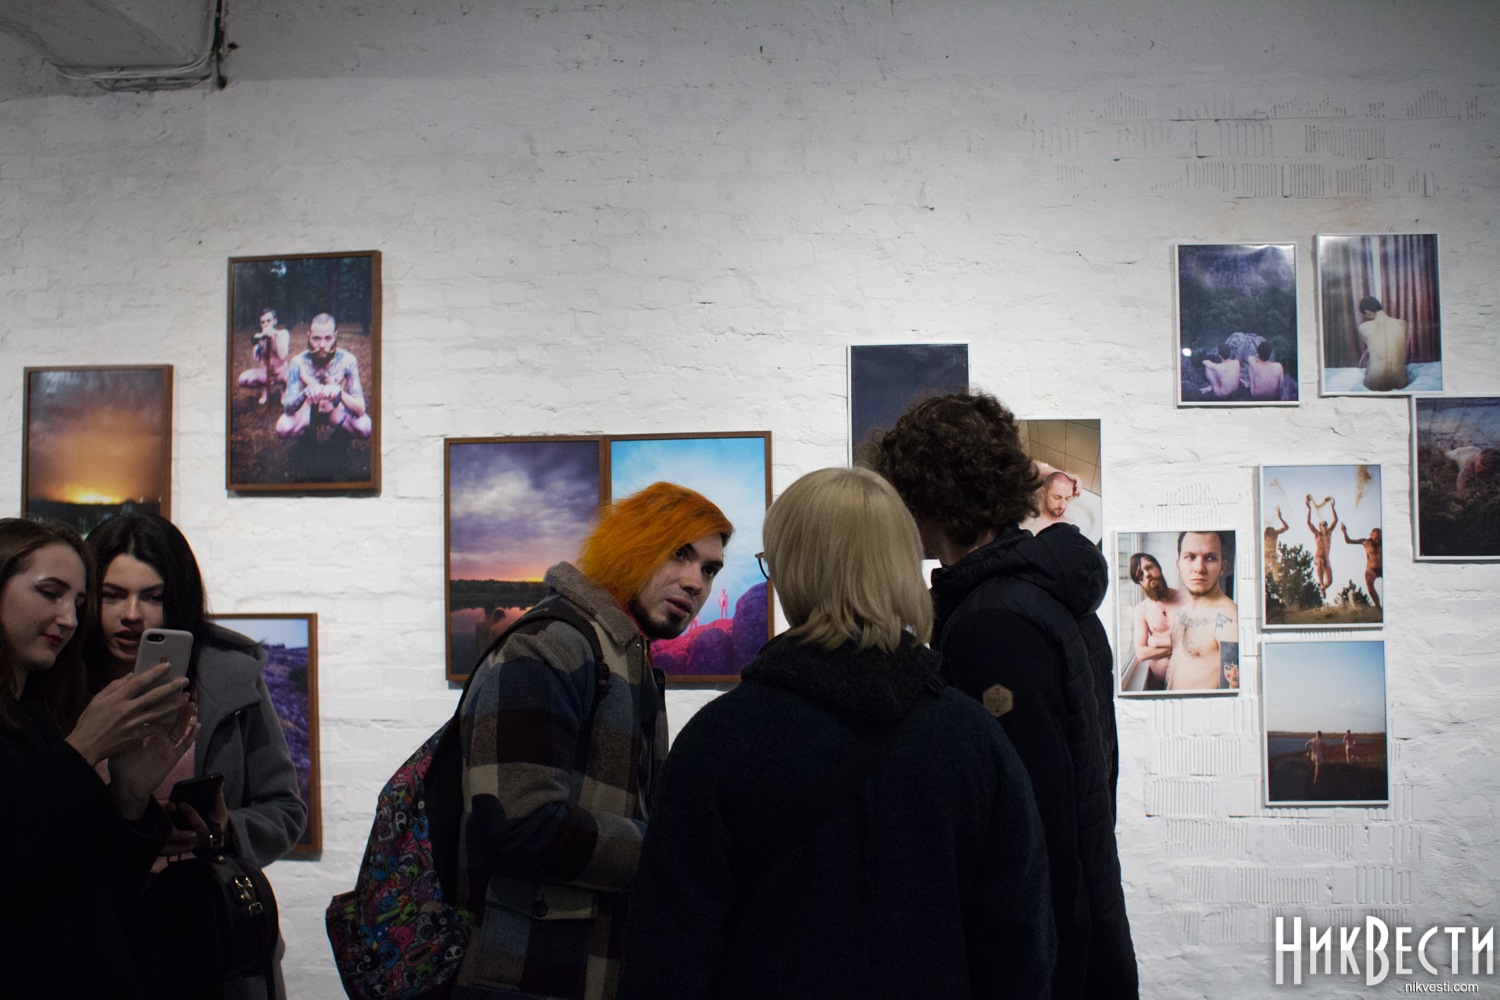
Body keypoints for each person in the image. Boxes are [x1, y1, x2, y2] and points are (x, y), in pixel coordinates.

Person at [618, 468, 1055, 999]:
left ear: (794, 572)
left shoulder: (719, 741)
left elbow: (667, 959)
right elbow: (1019, 950)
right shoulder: (975, 741)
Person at [868, 390, 1138, 1000]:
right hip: (1069, 944)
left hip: (1040, 965)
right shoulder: (1038, 593)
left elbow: (1031, 828)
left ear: (927, 494)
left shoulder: (995, 622)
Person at [453, 482, 732, 1000]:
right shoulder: (550, 645)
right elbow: (517, 821)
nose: (695, 582)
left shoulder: (626, 656)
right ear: (633, 544)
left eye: (710, 569)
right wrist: (670, 847)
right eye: (679, 553)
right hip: (522, 976)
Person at [83, 514, 307, 1000]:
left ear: (179, 597)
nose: (131, 614)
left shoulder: (229, 679)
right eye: (112, 595)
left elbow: (286, 810)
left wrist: (221, 831)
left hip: (209, 935)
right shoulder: (58, 685)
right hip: (97, 940)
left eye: (153, 596)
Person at [0, 518, 197, 1000]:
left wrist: (129, 794)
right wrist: (83, 749)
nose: (69, 619)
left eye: (78, 603)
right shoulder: (56, 729)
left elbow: (94, 889)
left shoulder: (38, 713)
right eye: (50, 593)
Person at [277, 313, 373, 439]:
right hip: (307, 410)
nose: (322, 345)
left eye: (328, 338)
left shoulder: (347, 360)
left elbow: (360, 408)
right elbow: (288, 407)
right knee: (283, 427)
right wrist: (304, 393)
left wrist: (340, 394)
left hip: (336, 410)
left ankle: (340, 437)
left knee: (365, 427)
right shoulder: (298, 362)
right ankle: (306, 436)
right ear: (308, 336)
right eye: (316, 338)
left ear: (335, 336)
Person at [1165, 532, 1239, 692]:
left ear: (1223, 567)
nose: (1199, 568)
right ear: (1178, 565)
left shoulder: (1230, 619)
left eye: (1210, 558)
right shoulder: (1182, 612)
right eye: (1190, 557)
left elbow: (1231, 693)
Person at [1128, 552, 1184, 690]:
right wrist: (1179, 645)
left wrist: (1156, 642)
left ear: (1159, 568)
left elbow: (1198, 641)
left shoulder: (1186, 598)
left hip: (1188, 680)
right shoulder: (1141, 610)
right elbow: (1141, 654)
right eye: (1140, 575)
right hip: (1157, 683)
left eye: (1149, 567)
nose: (1147, 575)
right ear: (1140, 583)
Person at [237, 307, 292, 406]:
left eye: (268, 321)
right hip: (266, 374)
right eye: (263, 322)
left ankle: (283, 390)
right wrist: (256, 344)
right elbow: (257, 359)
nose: (266, 324)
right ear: (260, 324)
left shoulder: (283, 333)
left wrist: (274, 339)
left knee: (292, 376)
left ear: (275, 321)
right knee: (243, 379)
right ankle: (264, 389)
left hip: (282, 373)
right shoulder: (260, 337)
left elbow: (282, 356)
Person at [1356, 296, 1410, 392]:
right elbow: (1399, 345)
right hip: (1400, 383)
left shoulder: (1363, 327)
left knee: (1371, 364)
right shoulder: (1403, 324)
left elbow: (1373, 342)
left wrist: (1368, 351)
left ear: (1367, 312)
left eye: (1365, 315)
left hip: (1374, 385)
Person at [1021, 469, 1080, 535]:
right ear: (1043, 492)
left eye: (1067, 499)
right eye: (1057, 498)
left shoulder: (1071, 524)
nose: (1062, 506)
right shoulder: (1029, 521)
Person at [1340, 524, 1383, 608]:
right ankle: (1378, 608)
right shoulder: (1365, 542)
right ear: (1370, 535)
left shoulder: (1384, 542)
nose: (1377, 541)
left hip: (1382, 568)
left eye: (1379, 538)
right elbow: (1349, 541)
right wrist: (1344, 532)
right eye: (1375, 539)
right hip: (1372, 569)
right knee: (1369, 584)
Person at [1306, 496, 1338, 600]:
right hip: (1318, 558)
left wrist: (1332, 507)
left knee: (1330, 581)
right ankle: (1321, 583)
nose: (1324, 526)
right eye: (1322, 525)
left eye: (1325, 525)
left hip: (1326, 560)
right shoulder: (1317, 534)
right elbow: (1308, 523)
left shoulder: (1329, 533)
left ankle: (1323, 588)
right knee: (1320, 561)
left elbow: (1335, 520)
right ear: (1319, 527)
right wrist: (1309, 509)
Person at [1263, 507, 1290, 588]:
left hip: (1271, 553)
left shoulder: (1275, 533)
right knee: (1266, 561)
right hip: (1266, 553)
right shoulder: (1264, 535)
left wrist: (1280, 517)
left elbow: (1286, 527)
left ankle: (1275, 576)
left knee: (1273, 559)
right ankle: (1265, 573)